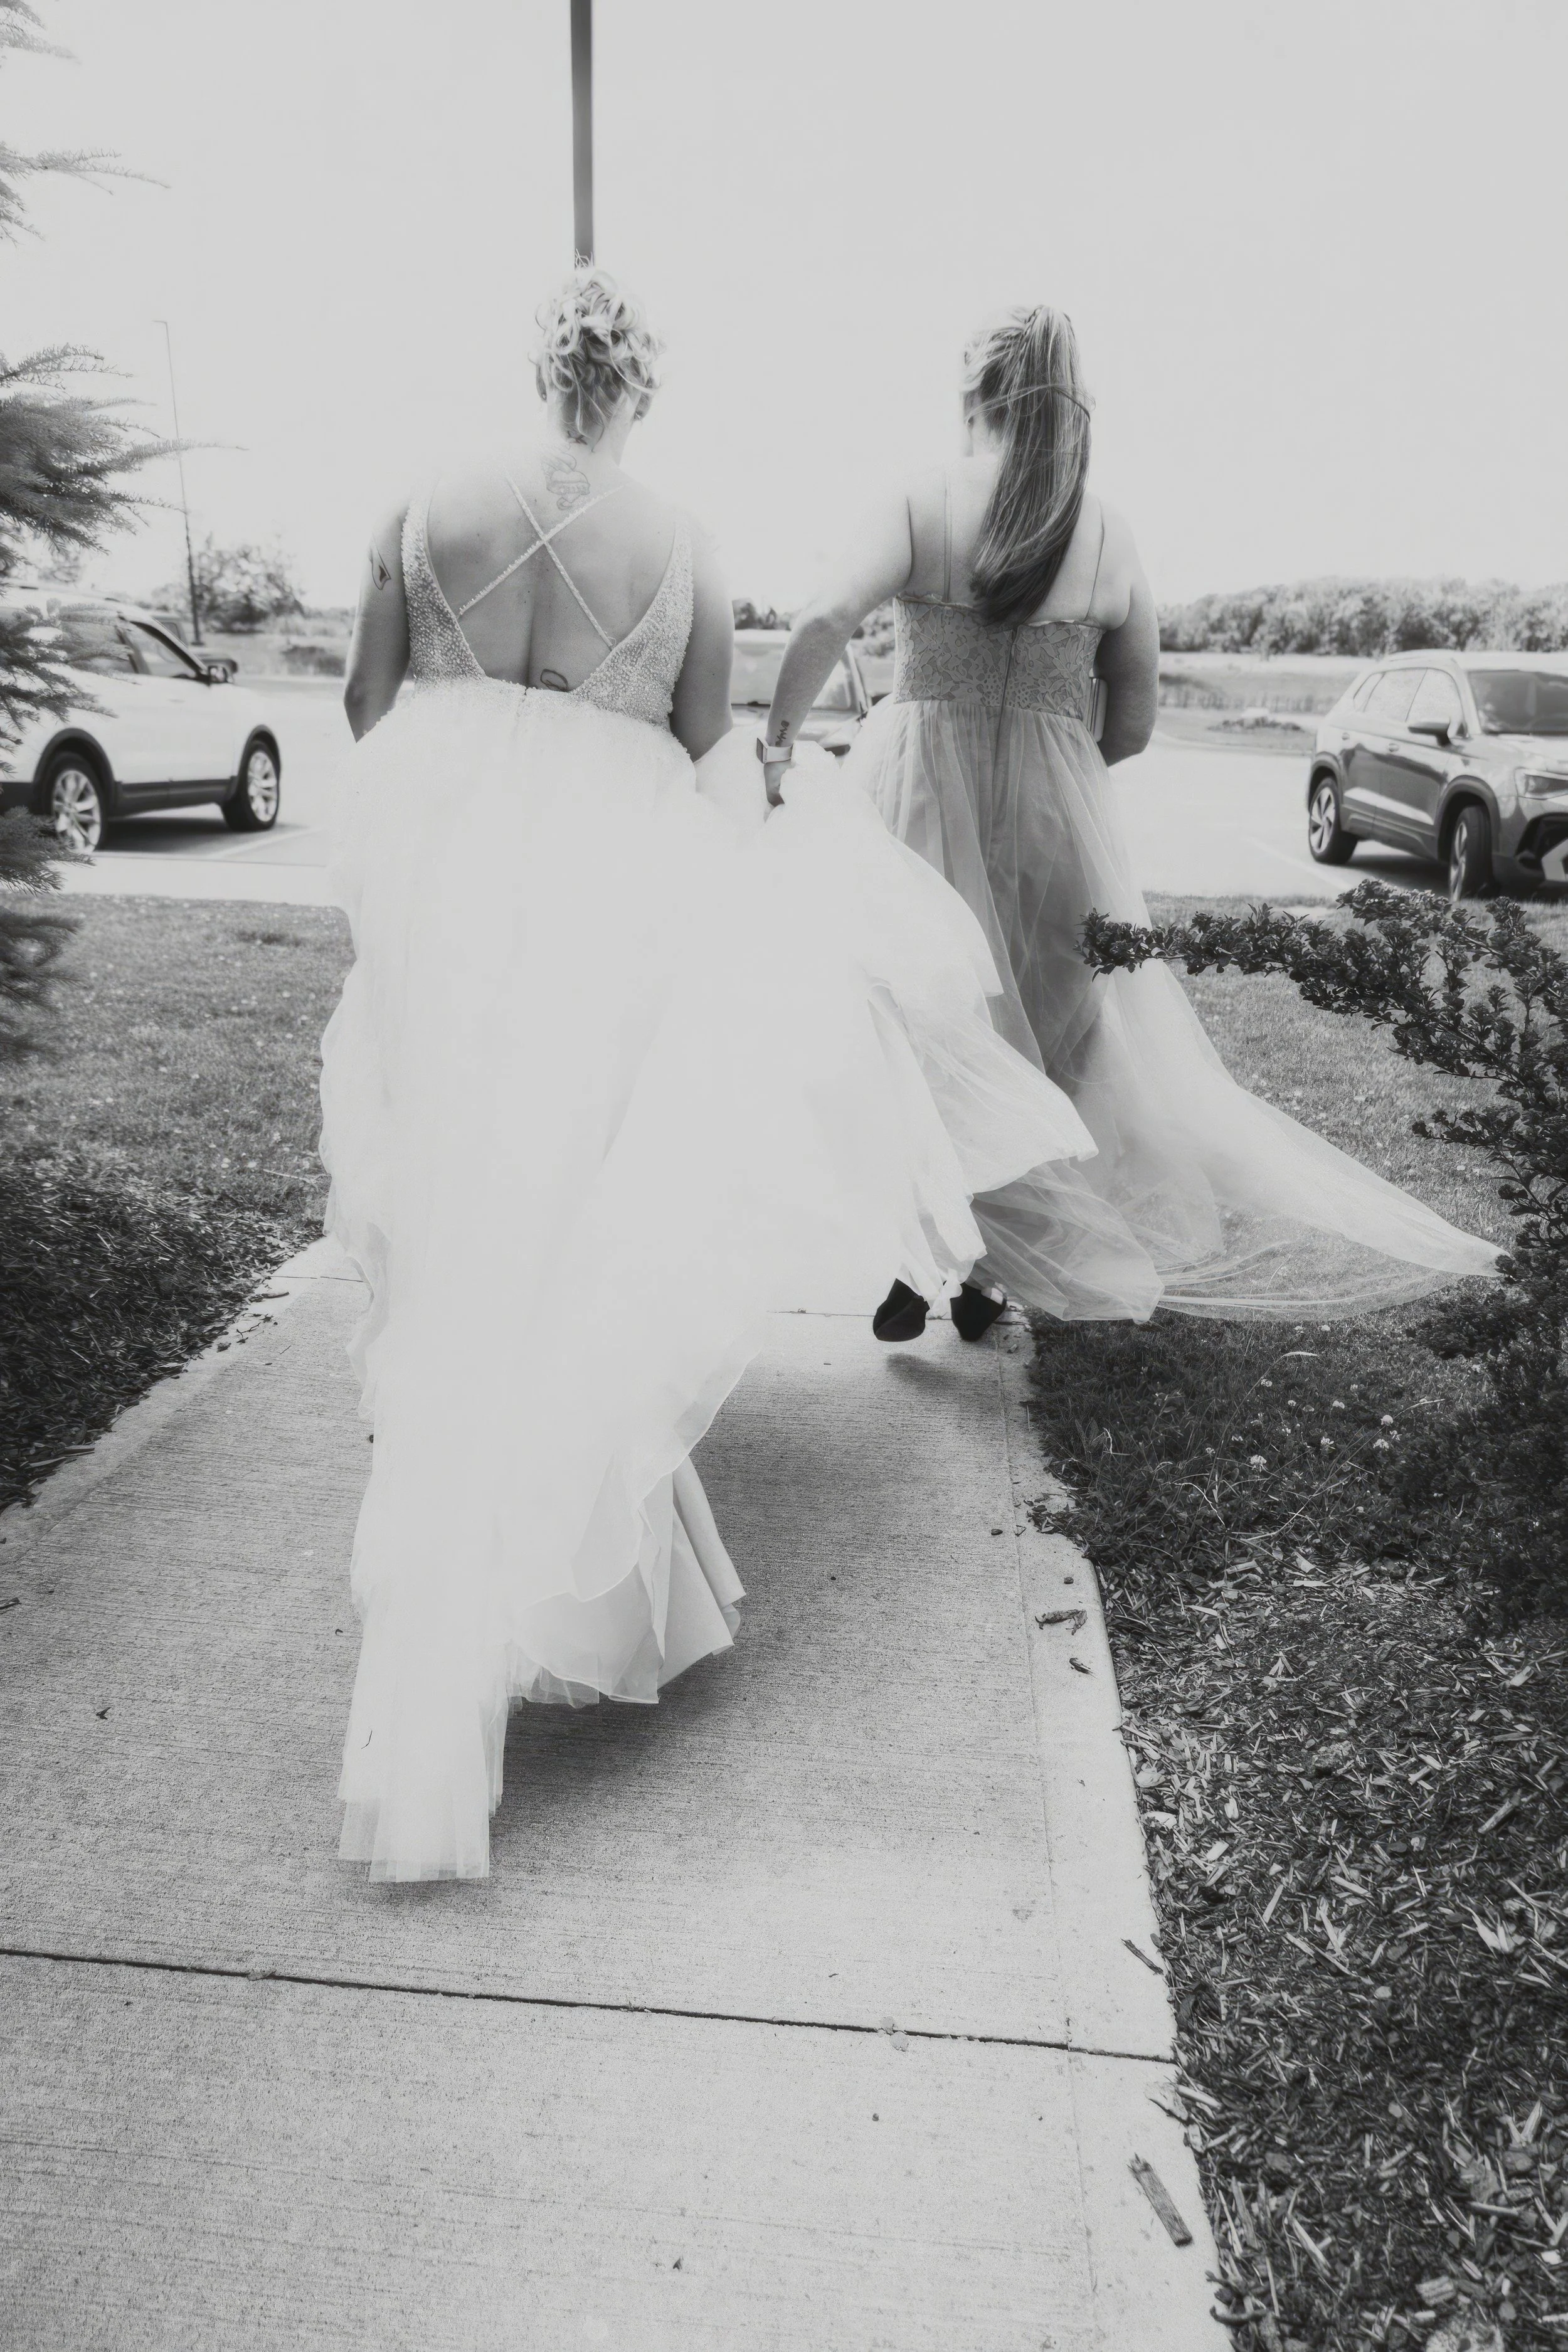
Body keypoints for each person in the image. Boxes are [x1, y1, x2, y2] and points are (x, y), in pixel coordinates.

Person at [320, 270, 1120, 1883]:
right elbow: (706, 755)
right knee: (572, 1211)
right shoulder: (681, 542)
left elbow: (363, 704)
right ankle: (559, 1553)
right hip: (603, 916)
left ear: (537, 370)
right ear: (639, 389)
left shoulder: (417, 504)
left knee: (446, 1202)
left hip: (439, 906)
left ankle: (445, 1516)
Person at [763, 303, 1497, 1342]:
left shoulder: (920, 499)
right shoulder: (1103, 531)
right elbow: (1137, 718)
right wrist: (1054, 775)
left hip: (915, 797)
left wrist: (779, 744)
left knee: (927, 1031)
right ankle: (989, 1277)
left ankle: (921, 1251)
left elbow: (822, 617)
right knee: (1047, 1041)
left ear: (974, 394)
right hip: (1052, 818)